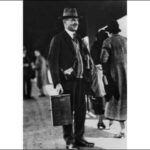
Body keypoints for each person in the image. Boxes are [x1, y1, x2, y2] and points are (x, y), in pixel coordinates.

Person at [48, 8, 94, 149]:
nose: (76, 22)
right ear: (64, 22)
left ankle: (79, 138)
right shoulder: (58, 39)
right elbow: (52, 61)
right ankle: (69, 141)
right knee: (67, 112)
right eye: (72, 19)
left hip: (80, 81)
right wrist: (57, 83)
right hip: (66, 82)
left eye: (77, 19)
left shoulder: (79, 38)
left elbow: (85, 57)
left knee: (80, 112)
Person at [100, 20, 127, 138]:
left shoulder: (108, 41)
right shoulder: (126, 40)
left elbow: (103, 59)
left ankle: (122, 130)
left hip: (116, 76)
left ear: (109, 31)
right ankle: (124, 130)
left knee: (117, 101)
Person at [91, 30, 109, 129]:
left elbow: (91, 60)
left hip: (97, 73)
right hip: (105, 73)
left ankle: (100, 121)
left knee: (100, 96)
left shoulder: (95, 46)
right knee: (107, 96)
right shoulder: (106, 46)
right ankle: (107, 121)